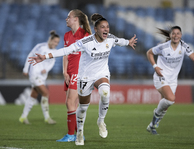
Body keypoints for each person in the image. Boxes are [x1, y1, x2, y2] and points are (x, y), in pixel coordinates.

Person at [29, 13, 137, 145]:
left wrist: (129, 42)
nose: (106, 29)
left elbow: (120, 41)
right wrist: (45, 56)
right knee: (83, 107)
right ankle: (79, 132)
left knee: (105, 93)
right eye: (102, 27)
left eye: (107, 27)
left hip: (101, 74)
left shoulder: (110, 38)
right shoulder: (86, 42)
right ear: (96, 29)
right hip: (85, 76)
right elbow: (65, 50)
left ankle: (101, 121)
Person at [146, 26, 194, 135]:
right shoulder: (163, 47)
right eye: (173, 33)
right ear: (170, 35)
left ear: (181, 35)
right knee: (170, 99)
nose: (176, 35)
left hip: (173, 80)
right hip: (160, 76)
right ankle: (155, 115)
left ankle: (152, 125)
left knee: (165, 106)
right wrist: (155, 66)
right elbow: (149, 53)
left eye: (178, 33)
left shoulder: (184, 46)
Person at [56, 9, 92, 142]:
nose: (66, 19)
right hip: (70, 72)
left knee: (70, 102)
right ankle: (79, 134)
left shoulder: (85, 35)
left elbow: (90, 56)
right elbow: (65, 55)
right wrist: (65, 72)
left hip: (79, 72)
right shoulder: (66, 35)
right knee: (72, 104)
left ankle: (71, 135)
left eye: (69, 17)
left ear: (76, 19)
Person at [19, 30, 60, 124]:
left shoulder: (54, 51)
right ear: (50, 40)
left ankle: (23, 117)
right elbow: (30, 55)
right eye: (54, 41)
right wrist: (25, 69)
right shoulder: (40, 46)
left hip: (42, 76)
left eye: (57, 42)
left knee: (33, 95)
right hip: (34, 74)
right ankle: (47, 118)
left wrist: (46, 69)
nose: (56, 43)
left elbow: (52, 62)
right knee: (46, 93)